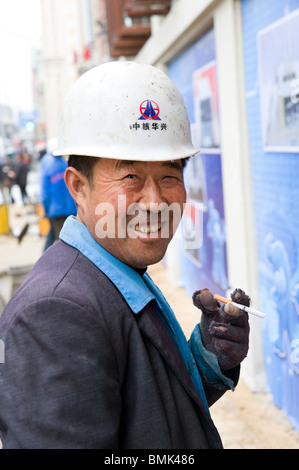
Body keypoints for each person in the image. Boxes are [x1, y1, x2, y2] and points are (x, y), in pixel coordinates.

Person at [0, 62, 250, 449]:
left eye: (169, 175)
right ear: (78, 187)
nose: (155, 202)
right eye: (130, 177)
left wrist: (207, 358)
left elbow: (148, 414)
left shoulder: (118, 271)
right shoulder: (54, 315)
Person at [40, 139, 77, 251]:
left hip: (55, 210)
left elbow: (45, 192)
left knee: (62, 240)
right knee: (69, 237)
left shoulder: (48, 168)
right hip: (71, 209)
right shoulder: (67, 166)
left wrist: (45, 209)